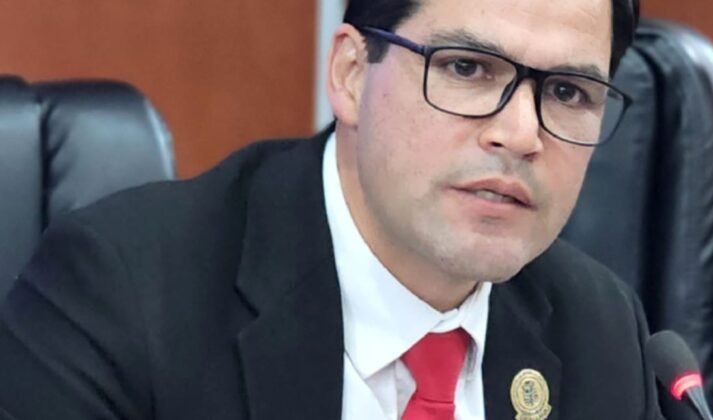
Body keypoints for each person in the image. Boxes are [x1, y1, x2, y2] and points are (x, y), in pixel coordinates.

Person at [0, 0, 663, 419]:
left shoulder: (602, 333)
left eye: (569, 92)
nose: (520, 134)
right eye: (467, 68)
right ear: (351, 73)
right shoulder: (121, 297)